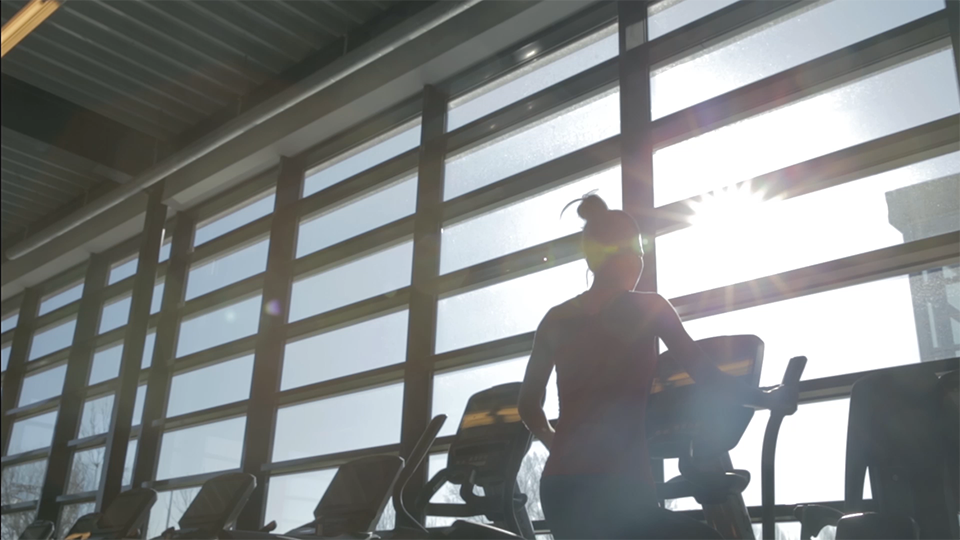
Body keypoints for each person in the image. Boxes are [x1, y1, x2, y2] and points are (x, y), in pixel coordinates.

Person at [518, 194, 796, 540]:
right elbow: (708, 378)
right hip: (621, 486)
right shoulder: (649, 308)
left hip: (560, 489)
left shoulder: (555, 318)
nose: (641, 260)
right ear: (628, 255)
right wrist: (767, 397)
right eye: (639, 250)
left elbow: (527, 406)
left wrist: (556, 443)